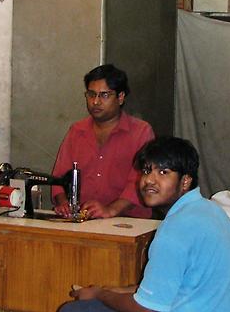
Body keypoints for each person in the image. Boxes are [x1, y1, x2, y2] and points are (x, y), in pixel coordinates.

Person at [36, 137, 230, 312]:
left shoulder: (175, 229)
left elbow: (144, 310)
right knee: (104, 304)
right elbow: (176, 287)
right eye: (147, 171)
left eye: (163, 172)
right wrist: (111, 291)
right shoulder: (209, 211)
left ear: (185, 181)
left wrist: (100, 294)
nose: (149, 180)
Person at [51, 64, 154, 219]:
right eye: (91, 94)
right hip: (82, 219)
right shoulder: (76, 131)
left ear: (120, 97)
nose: (96, 102)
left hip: (128, 222)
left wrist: (110, 210)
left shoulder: (141, 132)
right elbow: (59, 176)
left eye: (104, 95)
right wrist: (63, 203)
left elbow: (143, 181)